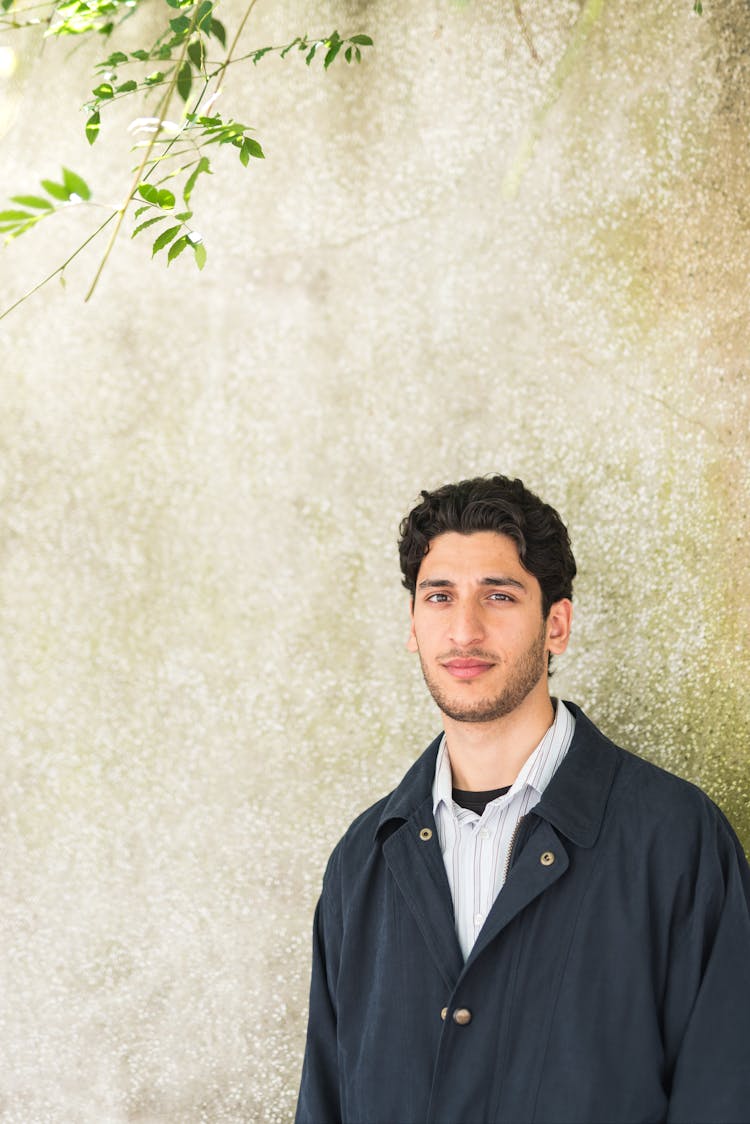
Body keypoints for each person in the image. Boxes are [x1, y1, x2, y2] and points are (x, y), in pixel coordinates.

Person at [295, 474, 750, 1124]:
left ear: (556, 624)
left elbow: (726, 1097)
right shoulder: (361, 865)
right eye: (440, 596)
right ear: (413, 626)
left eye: (499, 595)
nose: (464, 629)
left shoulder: (677, 842)